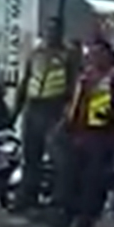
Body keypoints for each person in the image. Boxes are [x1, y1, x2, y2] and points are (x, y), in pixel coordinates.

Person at [60, 38, 114, 227]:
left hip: (103, 136)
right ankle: (72, 215)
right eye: (91, 53)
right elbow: (75, 104)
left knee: (93, 183)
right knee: (73, 179)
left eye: (99, 53)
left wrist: (113, 120)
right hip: (80, 134)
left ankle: (83, 226)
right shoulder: (85, 77)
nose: (94, 57)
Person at [13, 17, 77, 215]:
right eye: (48, 29)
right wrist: (15, 110)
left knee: (59, 158)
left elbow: (73, 86)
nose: (51, 33)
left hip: (54, 108)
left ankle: (58, 201)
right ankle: (27, 197)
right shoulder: (36, 53)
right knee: (31, 156)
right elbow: (25, 81)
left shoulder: (68, 56)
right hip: (33, 106)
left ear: (61, 32)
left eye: (55, 30)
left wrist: (67, 114)